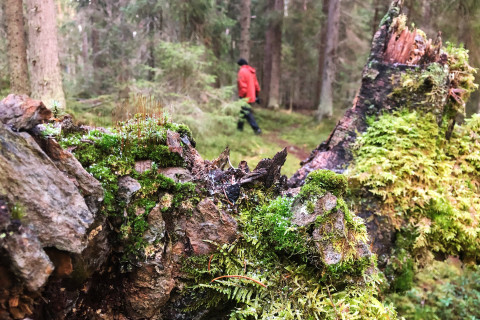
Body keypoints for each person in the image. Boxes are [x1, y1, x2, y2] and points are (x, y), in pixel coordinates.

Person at [237, 58, 262, 135]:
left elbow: (242, 85)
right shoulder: (251, 71)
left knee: (247, 112)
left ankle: (256, 129)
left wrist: (242, 95)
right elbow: (256, 85)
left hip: (245, 96)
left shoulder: (242, 71)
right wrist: (256, 95)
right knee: (242, 112)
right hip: (251, 96)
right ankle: (239, 128)